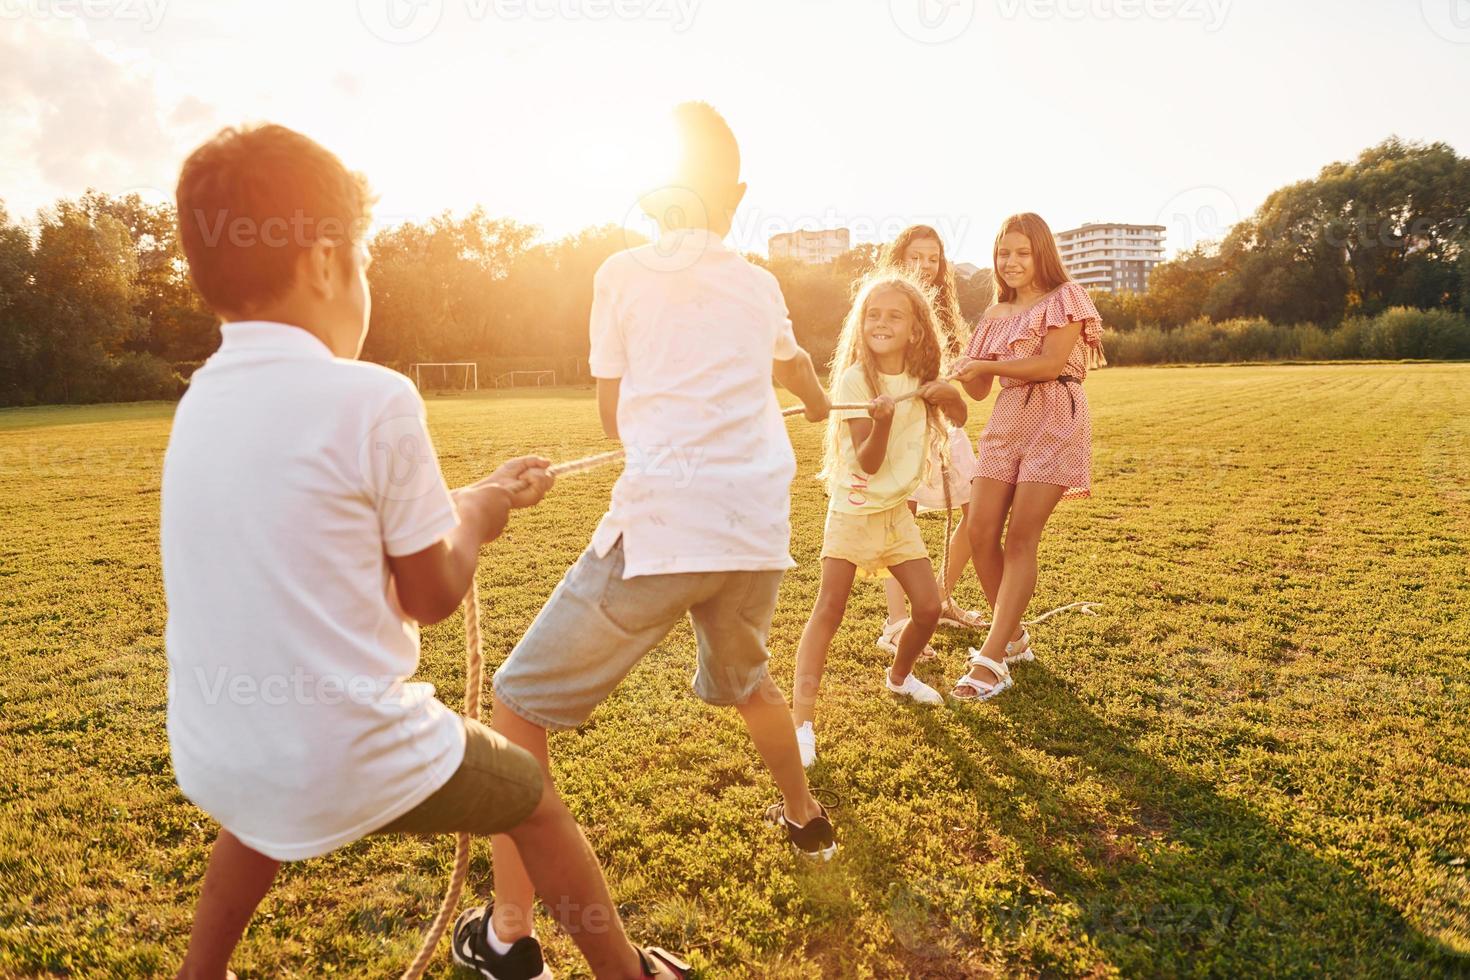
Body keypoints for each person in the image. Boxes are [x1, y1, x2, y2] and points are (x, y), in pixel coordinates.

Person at [161, 123, 687, 980]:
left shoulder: (200, 405)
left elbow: (328, 537)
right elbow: (431, 592)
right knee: (534, 803)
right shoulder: (374, 397)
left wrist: (466, 497)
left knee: (255, 818)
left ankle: (200, 973)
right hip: (345, 750)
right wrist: (477, 513)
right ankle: (626, 975)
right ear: (328, 262)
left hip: (221, 753)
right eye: (365, 261)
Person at [486, 100, 838, 977]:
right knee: (749, 683)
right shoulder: (760, 284)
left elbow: (614, 412)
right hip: (755, 535)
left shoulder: (619, 272)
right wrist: (821, 400)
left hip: (666, 531)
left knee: (514, 709)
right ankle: (806, 822)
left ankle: (507, 934)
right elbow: (797, 372)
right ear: (739, 195)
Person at [789, 271, 968, 767]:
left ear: (916, 329)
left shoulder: (920, 376)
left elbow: (960, 416)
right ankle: (802, 721)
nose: (881, 322)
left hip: (894, 513)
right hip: (854, 508)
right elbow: (868, 462)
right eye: (873, 314)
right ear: (860, 323)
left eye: (895, 315)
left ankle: (900, 677)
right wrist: (884, 419)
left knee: (929, 608)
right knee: (829, 610)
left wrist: (947, 395)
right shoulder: (854, 380)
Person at [949, 212, 1106, 702]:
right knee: (979, 531)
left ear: (1042, 253)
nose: (1010, 262)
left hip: (1057, 412)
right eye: (1002, 253)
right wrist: (962, 369)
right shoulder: (993, 315)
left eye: (1021, 252)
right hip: (1006, 418)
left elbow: (1050, 363)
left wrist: (987, 364)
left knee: (1020, 536)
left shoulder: (1067, 298)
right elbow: (978, 390)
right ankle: (1013, 637)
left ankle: (993, 658)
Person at [872, 226, 985, 663]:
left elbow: (964, 378)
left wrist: (966, 369)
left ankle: (939, 598)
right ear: (900, 260)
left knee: (977, 514)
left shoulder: (944, 310)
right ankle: (896, 623)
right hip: (904, 427)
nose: (925, 266)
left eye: (933, 259)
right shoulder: (884, 306)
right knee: (904, 517)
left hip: (943, 427)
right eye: (916, 257)